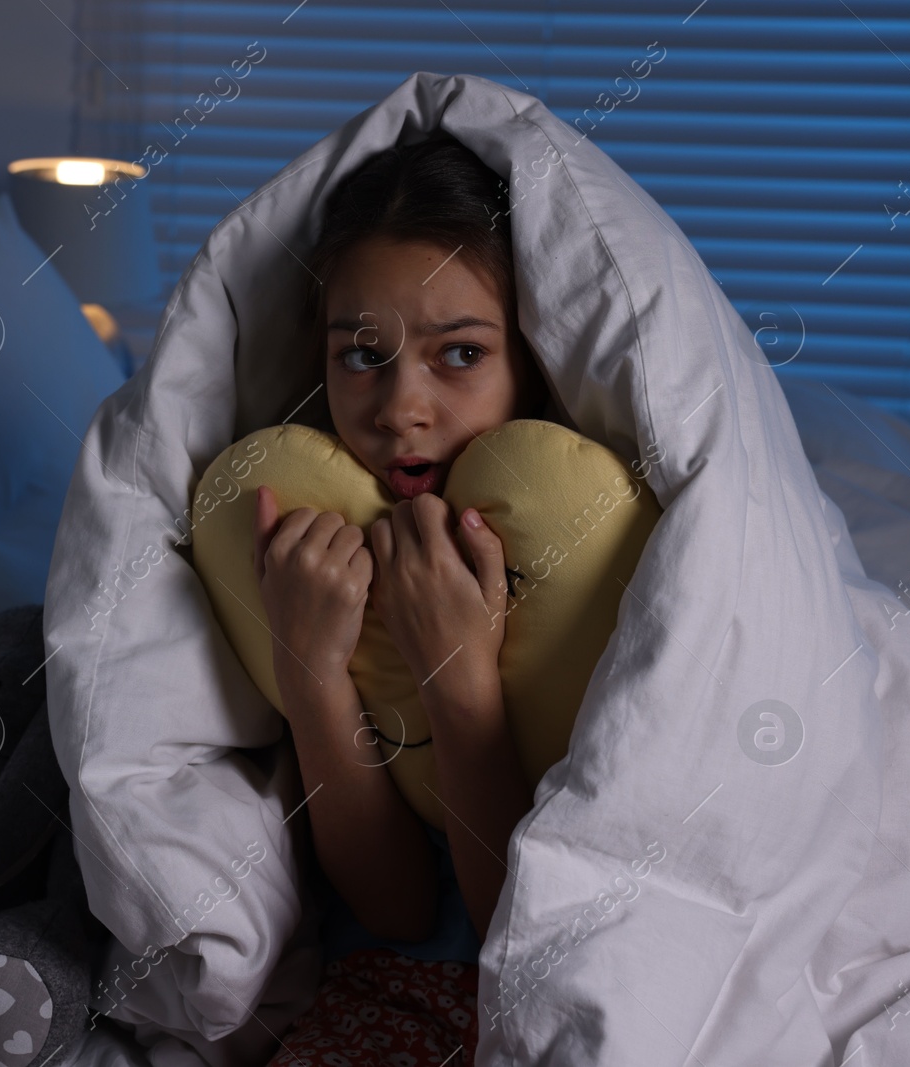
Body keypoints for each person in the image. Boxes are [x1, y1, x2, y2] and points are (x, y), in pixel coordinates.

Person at [252, 133, 557, 1066]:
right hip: (391, 987)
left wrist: (458, 681)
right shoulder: (306, 532)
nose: (399, 407)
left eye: (459, 353)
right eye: (361, 355)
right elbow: (395, 911)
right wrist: (311, 677)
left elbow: (521, 926)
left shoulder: (590, 541)